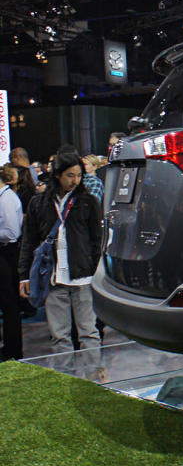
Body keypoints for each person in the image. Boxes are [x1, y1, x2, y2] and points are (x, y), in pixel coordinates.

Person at [18, 151, 103, 354]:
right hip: (52, 277)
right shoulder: (39, 203)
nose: (75, 181)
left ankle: (91, 379)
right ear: (57, 175)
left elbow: (97, 240)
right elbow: (28, 241)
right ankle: (66, 382)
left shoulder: (87, 201)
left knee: (89, 333)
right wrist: (24, 276)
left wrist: (94, 269)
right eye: (70, 176)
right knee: (59, 337)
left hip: (83, 278)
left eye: (79, 176)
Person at [0, 166, 24, 360]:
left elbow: (12, 233)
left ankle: (12, 351)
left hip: (7, 254)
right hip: (5, 253)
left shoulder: (6, 199)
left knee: (9, 305)